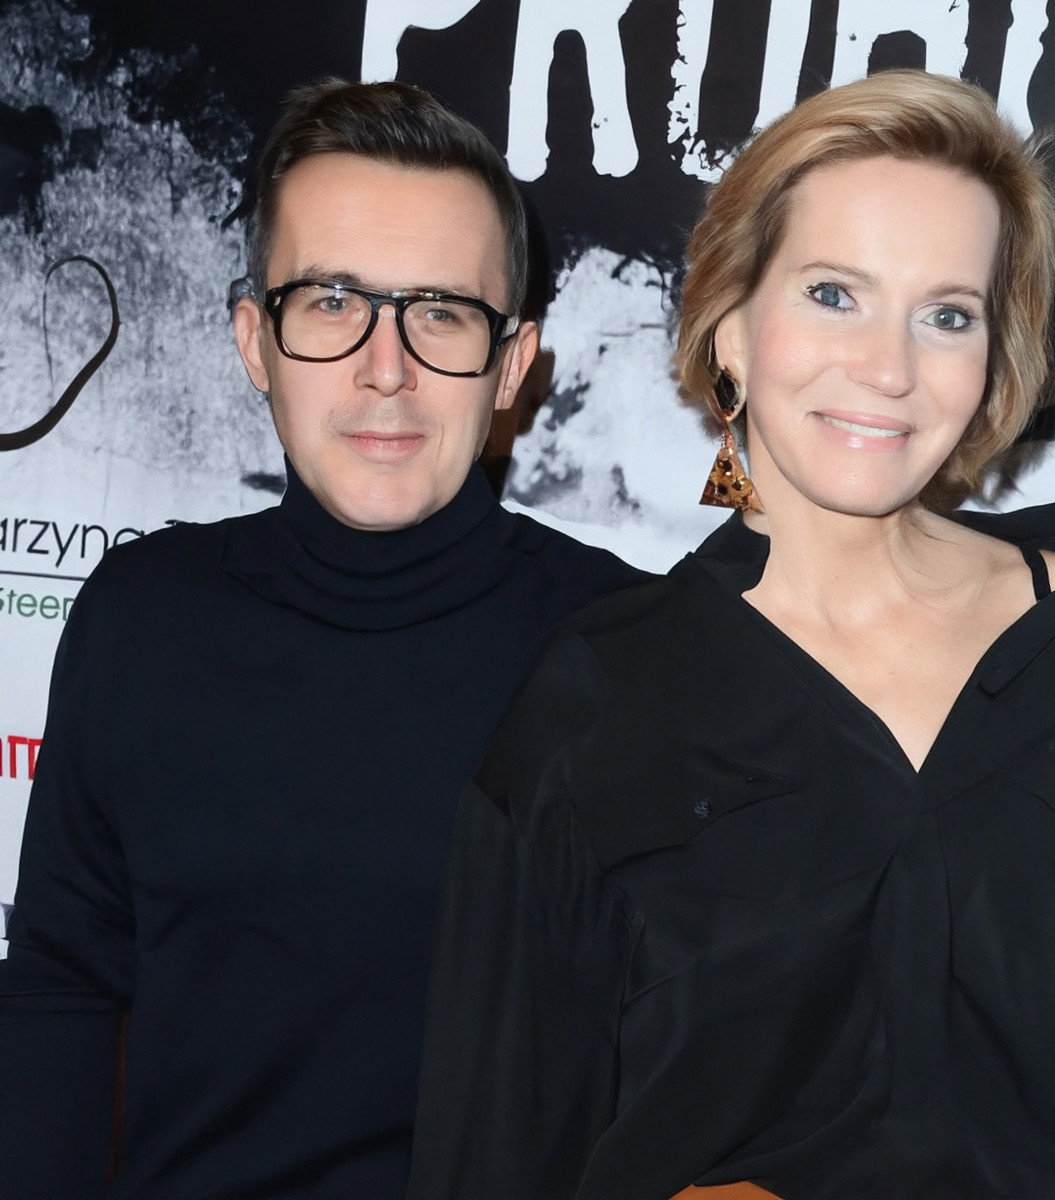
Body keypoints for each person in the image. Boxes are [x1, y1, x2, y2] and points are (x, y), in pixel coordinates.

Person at [408, 70, 1055, 1199]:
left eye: (947, 315)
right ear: (731, 329)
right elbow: (493, 1156)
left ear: (993, 358)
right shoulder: (597, 695)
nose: (888, 368)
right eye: (835, 294)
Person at [0, 79, 642, 1199]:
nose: (385, 368)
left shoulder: (631, 647)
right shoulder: (140, 617)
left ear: (512, 363)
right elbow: (62, 987)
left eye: (441, 312)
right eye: (333, 300)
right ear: (256, 341)